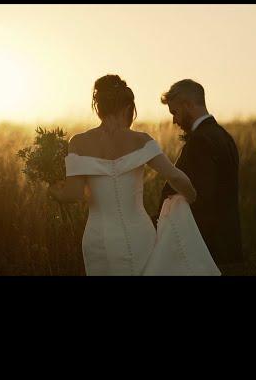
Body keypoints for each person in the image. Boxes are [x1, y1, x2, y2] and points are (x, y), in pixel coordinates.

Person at [48, 74, 219, 276]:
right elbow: (176, 177)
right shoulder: (141, 140)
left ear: (99, 108)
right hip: (138, 236)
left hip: (97, 240)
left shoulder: (78, 142)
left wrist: (54, 191)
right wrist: (190, 198)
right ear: (129, 108)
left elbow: (74, 194)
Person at [158, 79, 244, 275]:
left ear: (188, 105)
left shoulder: (200, 141)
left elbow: (199, 196)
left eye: (175, 112)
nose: (174, 121)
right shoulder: (224, 136)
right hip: (228, 242)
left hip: (206, 248)